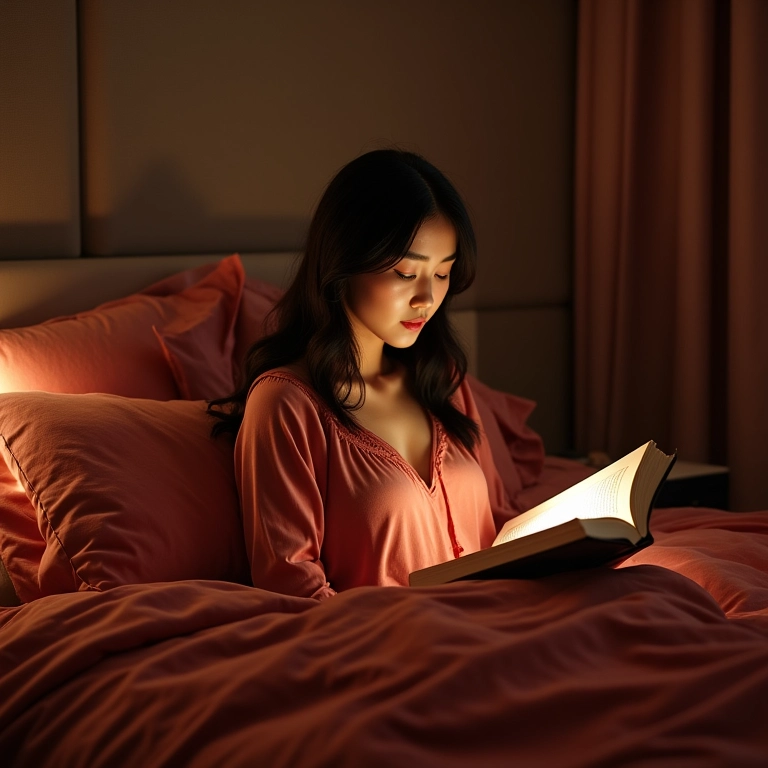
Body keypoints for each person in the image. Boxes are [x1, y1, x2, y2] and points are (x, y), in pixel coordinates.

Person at [208, 148, 516, 600]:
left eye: (443, 273)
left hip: (507, 622)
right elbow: (293, 585)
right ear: (344, 262)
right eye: (405, 272)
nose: (427, 298)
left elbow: (502, 524)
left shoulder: (443, 382)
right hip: (394, 648)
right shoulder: (285, 406)